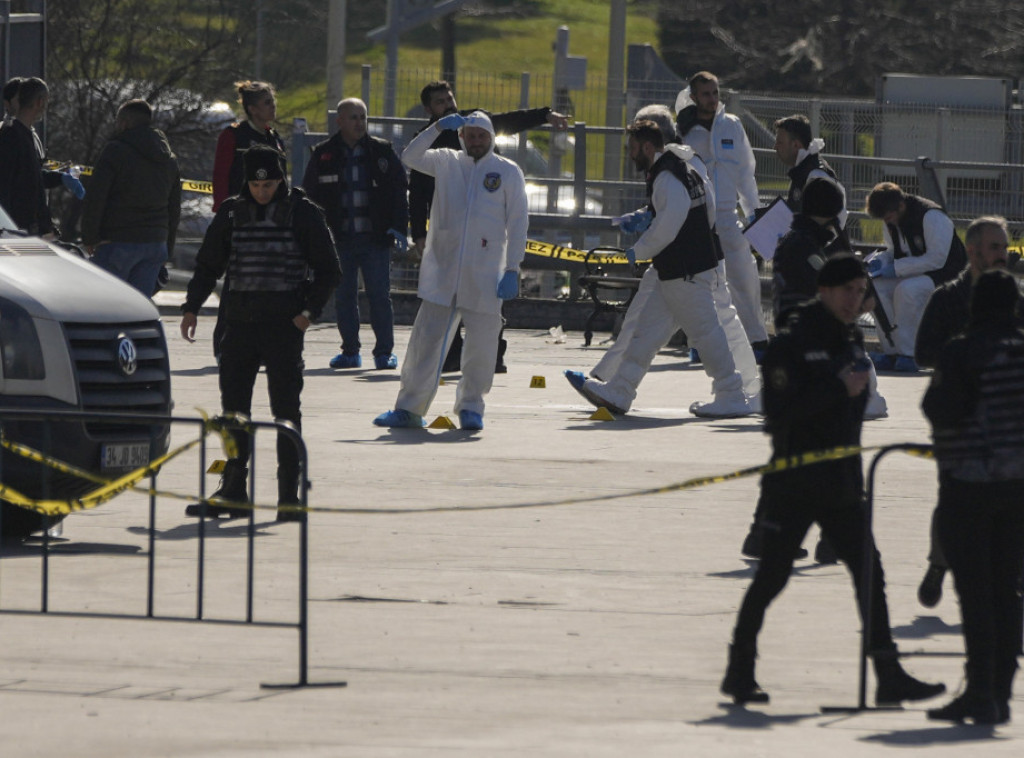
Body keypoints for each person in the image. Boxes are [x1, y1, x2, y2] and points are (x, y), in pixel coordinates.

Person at [720, 254, 946, 707]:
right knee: (772, 576)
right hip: (796, 483)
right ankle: (739, 668)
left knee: (870, 574)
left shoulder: (849, 340)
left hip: (841, 485)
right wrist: (836, 389)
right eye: (848, 290)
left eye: (861, 292)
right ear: (824, 290)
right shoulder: (794, 342)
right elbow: (778, 416)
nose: (855, 300)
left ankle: (888, 673)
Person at [179, 145, 341, 520]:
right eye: (255, 184)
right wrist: (192, 307)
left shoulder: (303, 213)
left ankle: (289, 496)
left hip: (283, 326)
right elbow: (208, 265)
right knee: (234, 411)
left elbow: (329, 270)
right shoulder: (232, 213)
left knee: (286, 411)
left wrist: (307, 314)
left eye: (269, 184)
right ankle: (234, 490)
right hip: (238, 324)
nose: (262, 191)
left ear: (281, 179)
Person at [565, 121, 753, 418]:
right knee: (646, 334)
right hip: (679, 270)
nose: (630, 154)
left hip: (685, 270)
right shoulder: (684, 166)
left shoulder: (666, 177)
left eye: (633, 148)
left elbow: (667, 226)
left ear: (648, 147)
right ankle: (621, 389)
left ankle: (731, 392)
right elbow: (707, 210)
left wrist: (637, 252)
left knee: (706, 332)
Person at [373, 111, 528, 431]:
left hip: (486, 275)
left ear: (491, 138)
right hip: (442, 271)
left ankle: (471, 406)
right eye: (470, 135)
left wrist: (513, 268)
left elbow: (518, 222)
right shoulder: (446, 162)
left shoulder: (507, 171)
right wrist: (437, 127)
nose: (475, 140)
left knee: (482, 347)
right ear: (461, 137)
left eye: (481, 135)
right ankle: (409, 408)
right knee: (425, 343)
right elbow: (410, 156)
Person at [921, 268, 1024, 725]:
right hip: (1017, 490)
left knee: (975, 593)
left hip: (967, 488)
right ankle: (1001, 690)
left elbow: (939, 409)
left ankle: (979, 688)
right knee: (1008, 590)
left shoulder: (961, 352)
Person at [410, 80, 568, 374]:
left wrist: (544, 115)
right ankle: (452, 355)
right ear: (429, 109)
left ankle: (492, 356)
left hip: (483, 239)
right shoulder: (431, 142)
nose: (449, 105)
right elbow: (417, 190)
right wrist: (418, 231)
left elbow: (509, 121)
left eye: (450, 98)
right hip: (449, 233)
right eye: (441, 102)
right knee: (448, 301)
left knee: (485, 305)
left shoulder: (474, 123)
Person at [913, 216, 1013, 609]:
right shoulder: (948, 299)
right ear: (971, 252)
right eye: (994, 248)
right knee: (955, 499)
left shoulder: (1012, 297)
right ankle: (939, 564)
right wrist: (966, 358)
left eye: (1004, 247)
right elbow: (923, 352)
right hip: (959, 421)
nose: (1002, 256)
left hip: (1006, 423)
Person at [303, 98, 408, 371]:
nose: (360, 123)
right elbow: (309, 196)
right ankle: (350, 352)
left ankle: (384, 353)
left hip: (374, 240)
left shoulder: (381, 152)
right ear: (339, 121)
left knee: (379, 296)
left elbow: (399, 190)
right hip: (339, 240)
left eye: (363, 117)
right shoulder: (323, 154)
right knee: (344, 296)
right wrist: (313, 236)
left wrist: (399, 225)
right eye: (353, 117)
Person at [675, 71, 769, 356]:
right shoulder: (684, 130)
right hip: (697, 217)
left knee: (744, 277)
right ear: (693, 97)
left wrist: (754, 212)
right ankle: (701, 344)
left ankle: (757, 341)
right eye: (706, 94)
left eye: (715, 93)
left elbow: (745, 173)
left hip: (728, 215)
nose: (712, 99)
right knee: (703, 284)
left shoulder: (732, 126)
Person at [210, 80, 287, 363]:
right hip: (241, 221)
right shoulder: (233, 136)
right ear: (252, 108)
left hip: (272, 223)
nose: (272, 107)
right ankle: (224, 345)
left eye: (272, 101)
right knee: (237, 286)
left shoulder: (274, 138)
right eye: (267, 102)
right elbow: (220, 178)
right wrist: (224, 216)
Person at [80, 99, 181, 296]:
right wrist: (166, 246)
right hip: (155, 244)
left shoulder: (115, 151)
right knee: (138, 311)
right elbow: (174, 208)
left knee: (103, 305)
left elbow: (96, 197)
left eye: (118, 121)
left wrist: (89, 237)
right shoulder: (168, 158)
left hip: (118, 241)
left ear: (125, 122)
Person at [864, 181, 967, 372]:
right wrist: (880, 261)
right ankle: (891, 352)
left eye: (889, 217)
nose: (888, 222)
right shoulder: (891, 220)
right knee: (876, 288)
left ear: (901, 206)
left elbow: (937, 259)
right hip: (914, 273)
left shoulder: (932, 216)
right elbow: (894, 250)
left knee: (907, 290)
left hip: (946, 276)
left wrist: (897, 268)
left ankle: (910, 354)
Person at [0, 77, 83, 237]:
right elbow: (5, 185)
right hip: (16, 232)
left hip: (29, 229)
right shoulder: (11, 137)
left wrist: (59, 177)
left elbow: (31, 179)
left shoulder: (27, 136)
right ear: (40, 102)